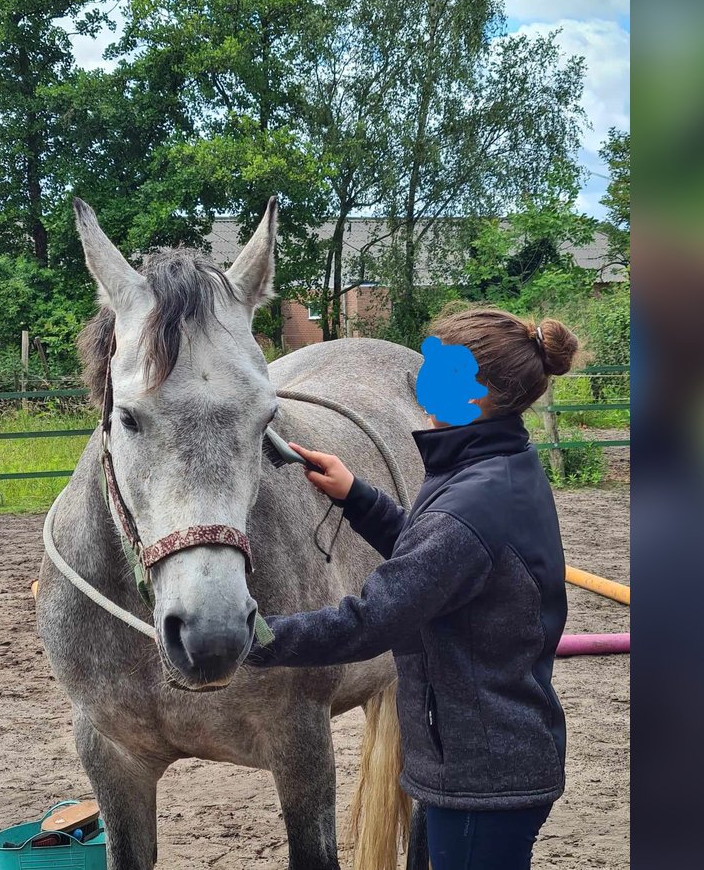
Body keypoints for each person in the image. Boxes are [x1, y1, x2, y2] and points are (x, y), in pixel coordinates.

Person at [247, 306, 579, 870]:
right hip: (488, 752)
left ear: (476, 395)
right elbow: (437, 565)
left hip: (482, 773)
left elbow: (374, 619)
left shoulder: (471, 504)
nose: (417, 378)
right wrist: (356, 496)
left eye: (437, 369)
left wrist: (248, 638)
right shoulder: (494, 467)